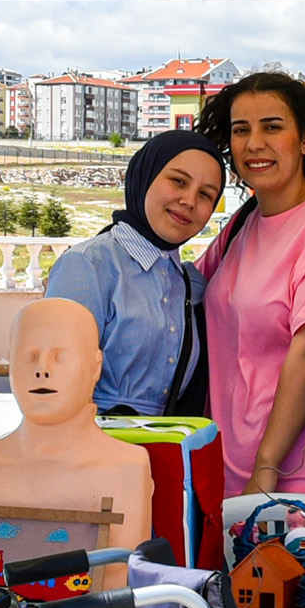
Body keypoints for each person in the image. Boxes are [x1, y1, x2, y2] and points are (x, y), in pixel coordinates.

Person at [196, 72, 305, 499]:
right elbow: (186, 289)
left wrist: (266, 468)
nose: (254, 143)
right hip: (231, 469)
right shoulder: (243, 224)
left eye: (272, 127)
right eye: (242, 130)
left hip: (300, 476)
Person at [42, 130, 226, 415]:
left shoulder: (191, 285)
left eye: (205, 195)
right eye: (178, 181)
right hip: (90, 438)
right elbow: (51, 386)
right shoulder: (88, 265)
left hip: (166, 441)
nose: (190, 200)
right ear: (145, 175)